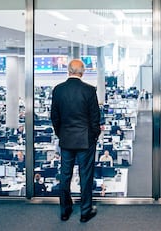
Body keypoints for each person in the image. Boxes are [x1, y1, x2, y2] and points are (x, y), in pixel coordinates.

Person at [51, 59, 101, 222]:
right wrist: (94, 136)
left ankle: (65, 211)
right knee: (85, 176)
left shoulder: (58, 90)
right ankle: (85, 212)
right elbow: (95, 118)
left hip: (66, 139)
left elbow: (55, 117)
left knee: (65, 175)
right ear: (82, 72)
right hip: (85, 140)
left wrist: (61, 134)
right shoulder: (89, 90)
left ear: (68, 71)